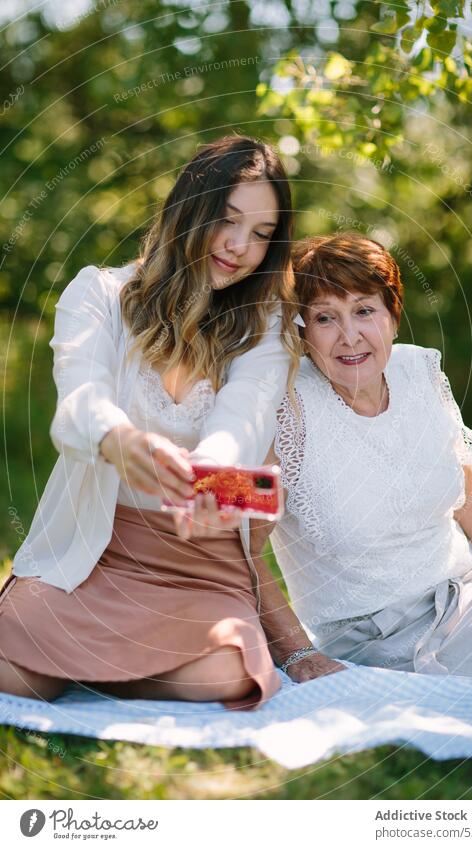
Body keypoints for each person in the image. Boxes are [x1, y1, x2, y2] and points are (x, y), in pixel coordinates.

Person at [0, 135, 300, 709]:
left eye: (262, 235)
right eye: (227, 221)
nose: (240, 247)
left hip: (202, 563)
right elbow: (78, 399)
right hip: (98, 548)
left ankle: (89, 669)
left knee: (229, 673)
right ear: (190, 208)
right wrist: (117, 438)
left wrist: (213, 471)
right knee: (12, 677)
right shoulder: (100, 293)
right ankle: (92, 662)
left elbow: (246, 415)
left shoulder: (264, 325)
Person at [248, 231, 472, 691]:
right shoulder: (282, 411)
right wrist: (297, 653)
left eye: (364, 310)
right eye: (325, 318)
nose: (349, 336)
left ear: (393, 315)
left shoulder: (417, 370)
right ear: (301, 334)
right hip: (392, 639)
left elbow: (465, 486)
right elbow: (238, 543)